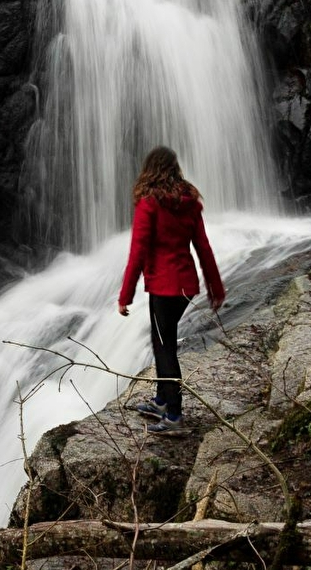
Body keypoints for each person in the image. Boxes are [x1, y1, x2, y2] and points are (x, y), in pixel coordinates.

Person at [117, 146, 225, 433]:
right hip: (186, 287)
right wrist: (216, 288)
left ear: (149, 171)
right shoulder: (189, 202)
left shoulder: (149, 204)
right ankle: (163, 400)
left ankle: (174, 415)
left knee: (164, 348)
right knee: (161, 339)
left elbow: (137, 252)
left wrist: (125, 295)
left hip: (164, 287)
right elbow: (203, 248)